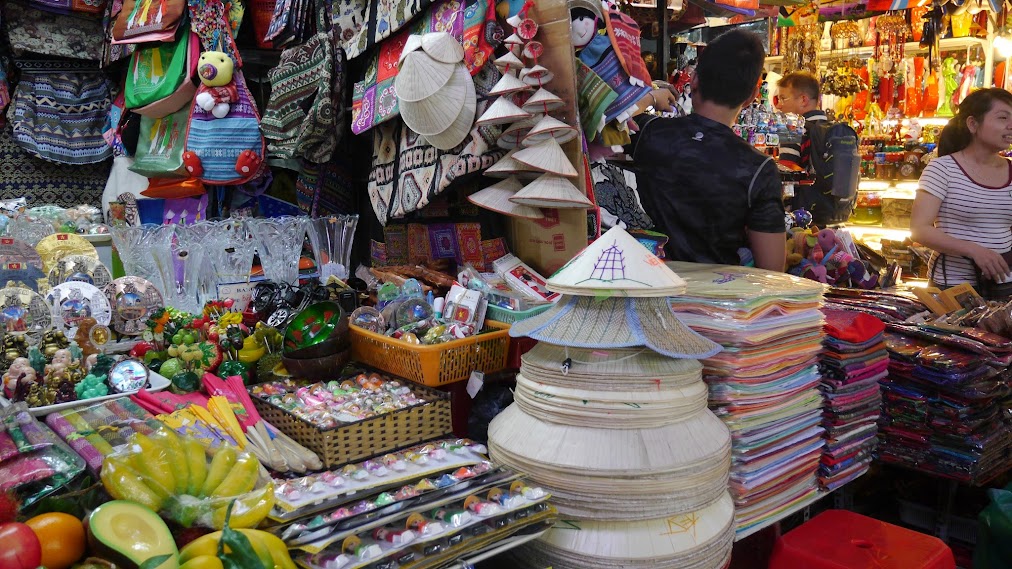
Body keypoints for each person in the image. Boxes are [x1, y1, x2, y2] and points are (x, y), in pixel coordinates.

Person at [626, 29, 786, 271]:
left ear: (694, 81)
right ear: (752, 96)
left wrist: (650, 98)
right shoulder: (758, 168)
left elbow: (602, 122)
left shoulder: (651, 134)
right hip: (717, 291)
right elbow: (771, 271)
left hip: (647, 282)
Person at [911, 88, 1012, 290]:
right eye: (1003, 118)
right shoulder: (942, 169)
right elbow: (919, 230)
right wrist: (974, 250)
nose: (1010, 125)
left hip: (1004, 286)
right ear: (973, 124)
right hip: (954, 288)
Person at [776, 71, 856, 227]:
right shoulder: (835, 129)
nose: (779, 105)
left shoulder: (792, 130)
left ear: (803, 100)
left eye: (783, 98)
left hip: (802, 218)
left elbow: (786, 181)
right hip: (836, 215)